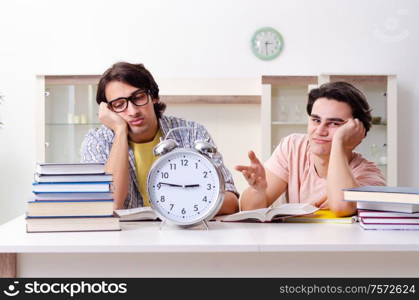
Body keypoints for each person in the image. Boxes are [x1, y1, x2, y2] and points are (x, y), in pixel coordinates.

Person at [81, 62, 239, 214]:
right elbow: (110, 204)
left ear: (154, 96)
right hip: (124, 237)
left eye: (138, 97)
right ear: (109, 110)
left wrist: (176, 210)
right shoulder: (96, 142)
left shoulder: (192, 133)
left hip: (183, 232)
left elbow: (230, 201)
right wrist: (120, 130)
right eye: (119, 104)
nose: (132, 111)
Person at [236, 81, 385, 217]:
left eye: (334, 123)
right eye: (316, 120)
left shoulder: (368, 175)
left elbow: (342, 207)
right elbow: (248, 210)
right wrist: (258, 190)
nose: (320, 130)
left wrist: (339, 143)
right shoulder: (293, 147)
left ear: (357, 131)